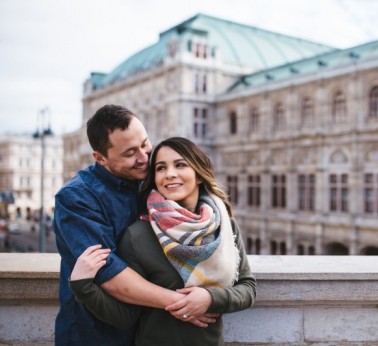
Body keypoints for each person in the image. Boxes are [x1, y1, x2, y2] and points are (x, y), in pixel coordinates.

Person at [69, 137, 256, 345]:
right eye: (160, 168)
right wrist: (83, 287)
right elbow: (125, 317)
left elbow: (247, 287)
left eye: (180, 165)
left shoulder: (225, 225)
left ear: (199, 174)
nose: (169, 174)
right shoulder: (138, 236)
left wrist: (210, 299)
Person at [53, 106, 203, 346]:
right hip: (95, 335)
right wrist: (184, 303)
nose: (144, 157)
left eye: (145, 143)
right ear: (100, 158)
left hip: (148, 332)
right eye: (130, 152)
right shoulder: (76, 197)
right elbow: (109, 273)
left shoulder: (152, 180)